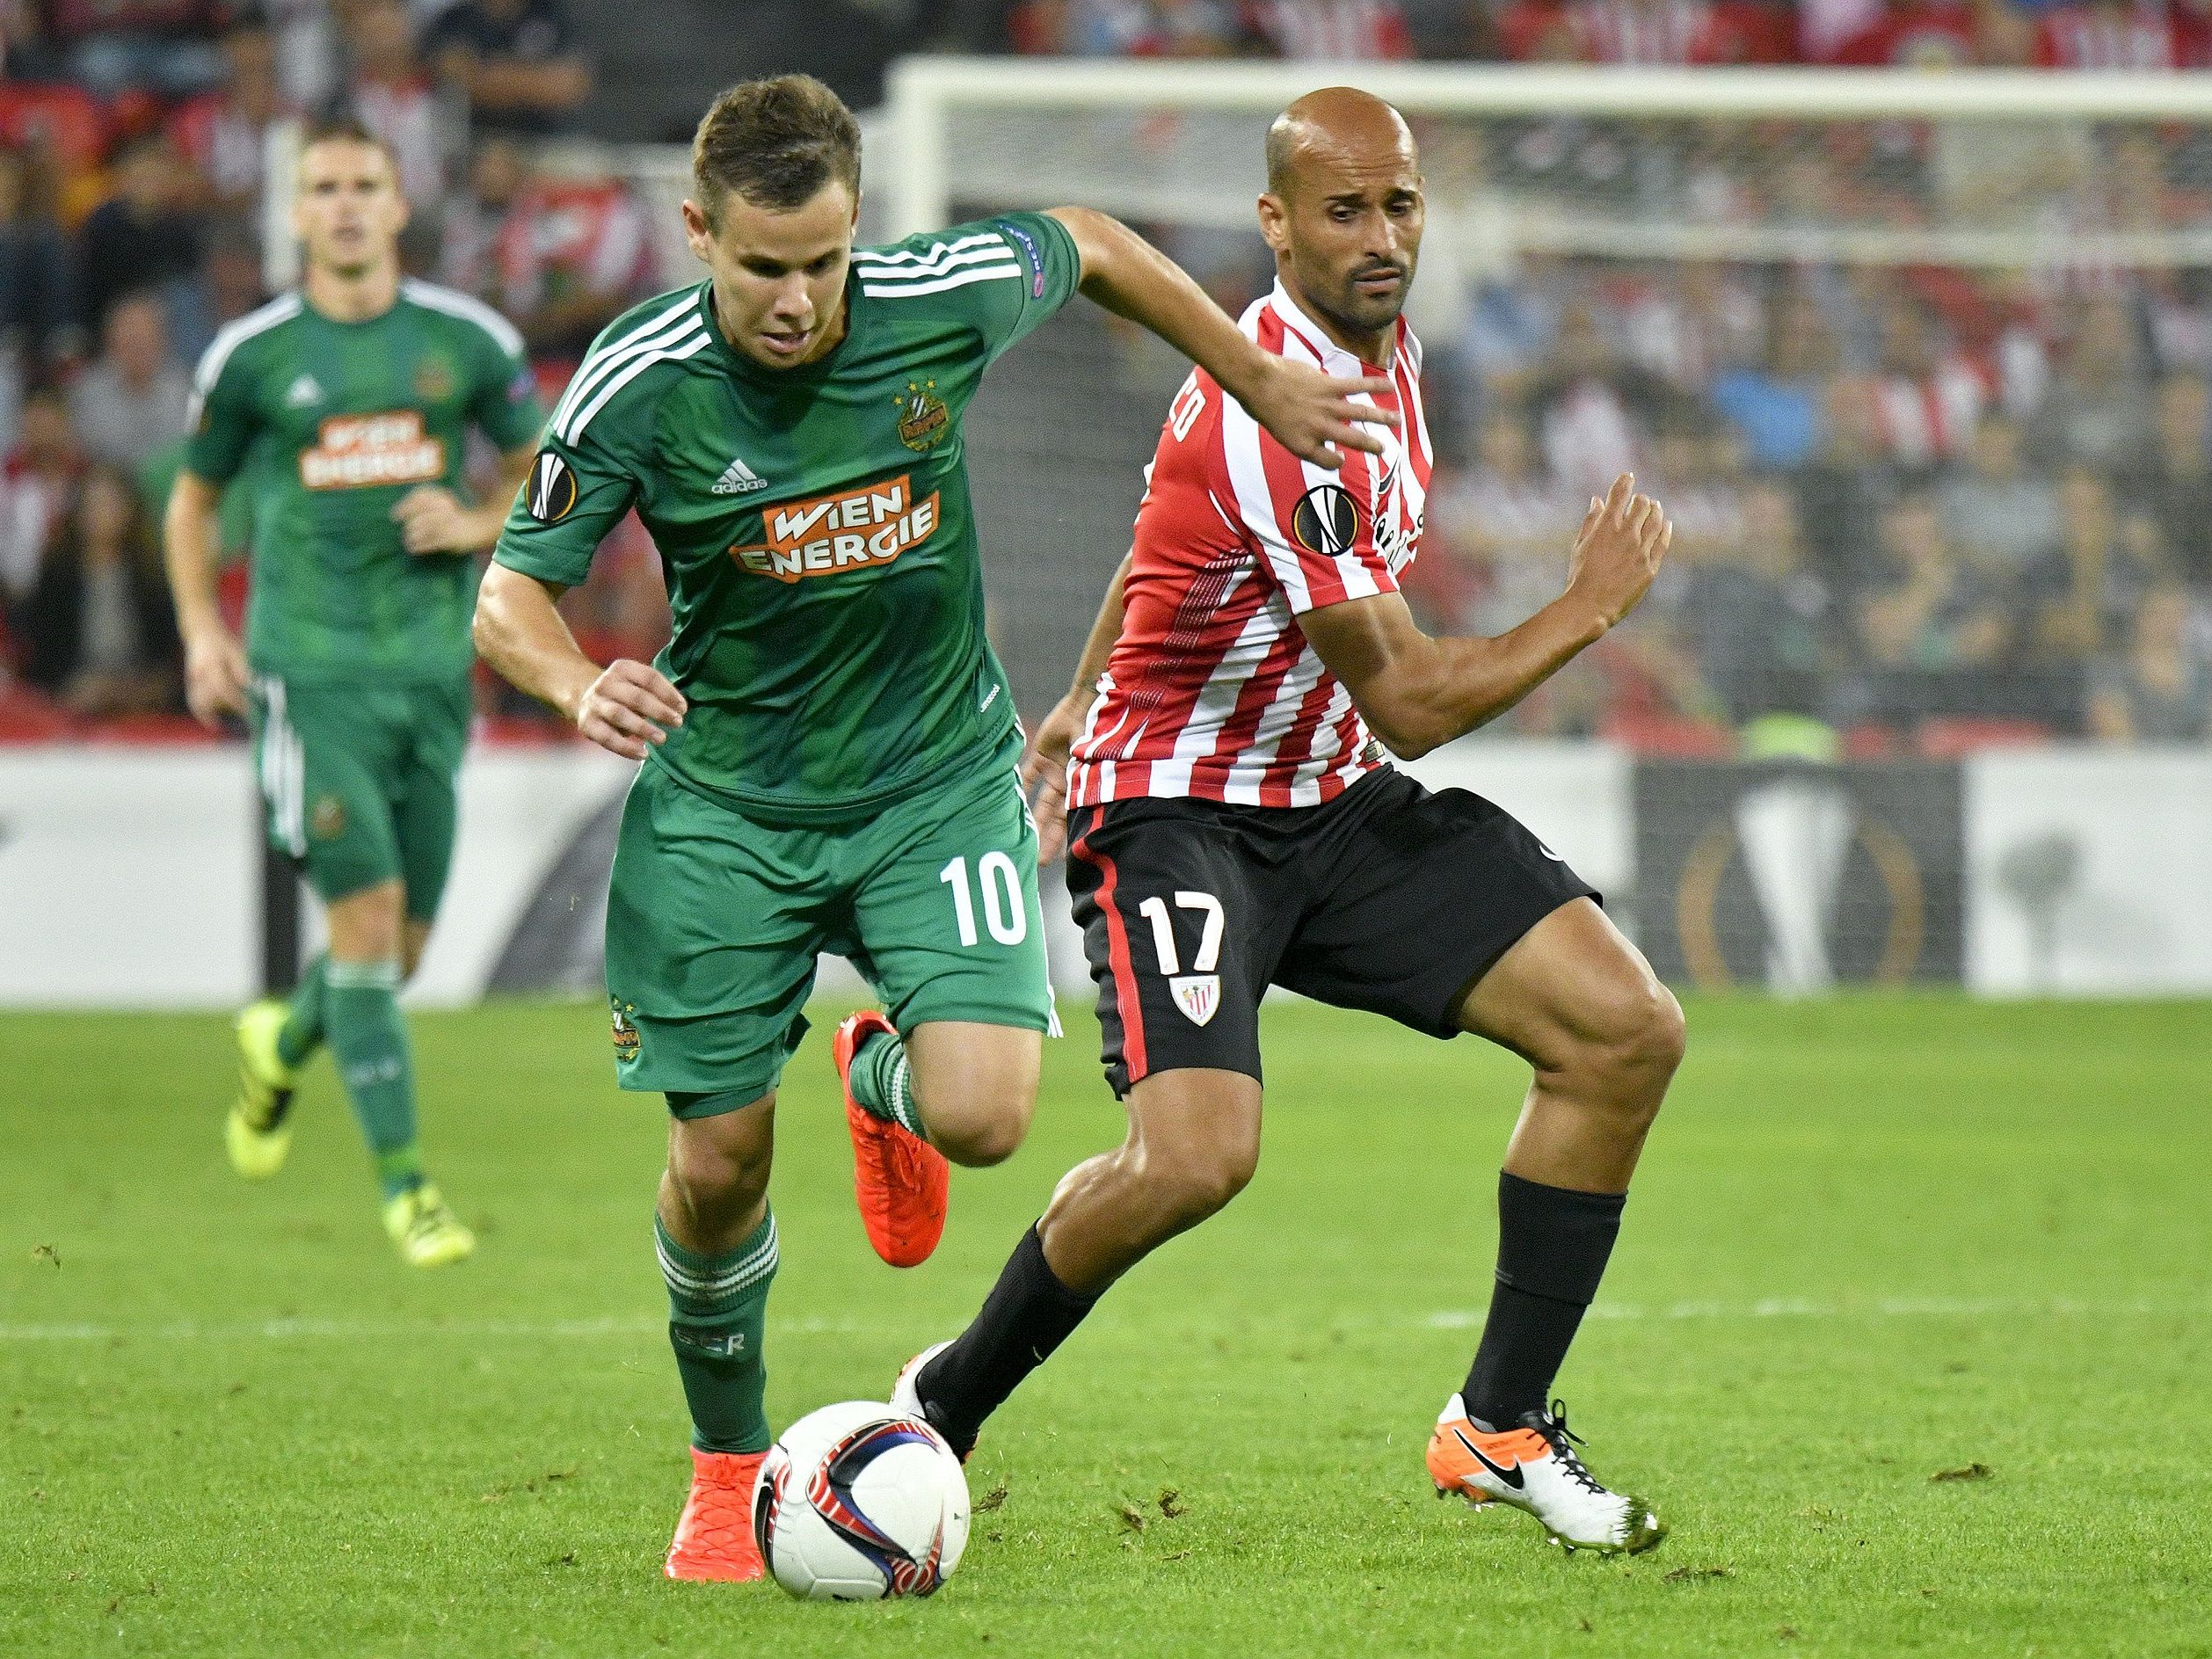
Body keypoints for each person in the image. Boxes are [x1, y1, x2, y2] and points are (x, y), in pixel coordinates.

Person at [470, 72, 1394, 1584]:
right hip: (730, 805)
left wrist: (1256, 377)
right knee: (717, 1168)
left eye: (823, 263)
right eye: (761, 267)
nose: (795, 299)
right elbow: (508, 596)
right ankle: (723, 1467)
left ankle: (885, 1077)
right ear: (699, 232)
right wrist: (578, 685)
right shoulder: (637, 382)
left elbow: (1089, 238)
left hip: (931, 782)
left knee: (988, 1117)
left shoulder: (934, 297)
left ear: (858, 235)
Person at [892, 88, 1680, 1558]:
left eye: (1400, 204)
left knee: (1624, 1031)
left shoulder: (1388, 359)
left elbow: (1157, 539)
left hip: (1326, 802)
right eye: (1343, 210)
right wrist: (1590, 608)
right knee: (1195, 1158)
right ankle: (939, 1402)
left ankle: (1498, 1426)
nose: (1381, 237)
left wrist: (1071, 691)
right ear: (1274, 223)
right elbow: (1415, 702)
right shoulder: (1280, 408)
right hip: (1180, 813)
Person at [162, 118, 544, 1267]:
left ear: (395, 204)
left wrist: (480, 522)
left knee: (402, 951)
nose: (339, 204)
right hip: (308, 674)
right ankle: (407, 1189)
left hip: (431, 673)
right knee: (369, 927)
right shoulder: (253, 357)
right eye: (319, 187)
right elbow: (192, 501)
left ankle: (283, 1040)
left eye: (360, 185)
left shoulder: (465, 342)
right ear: (294, 212)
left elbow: (545, 463)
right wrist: (199, 631)